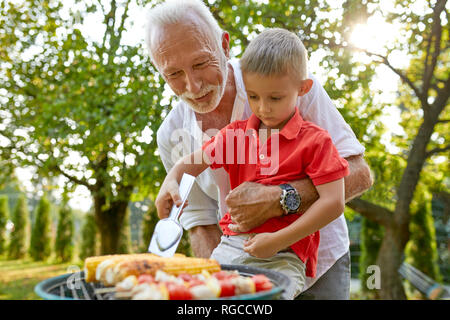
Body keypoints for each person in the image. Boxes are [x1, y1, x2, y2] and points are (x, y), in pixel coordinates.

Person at [147, 0, 372, 299]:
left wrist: (282, 199)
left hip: (318, 269)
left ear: (224, 46)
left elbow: (359, 174)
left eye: (201, 63)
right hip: (237, 262)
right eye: (173, 74)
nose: (194, 84)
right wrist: (216, 289)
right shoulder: (173, 133)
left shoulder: (287, 85)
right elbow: (201, 226)